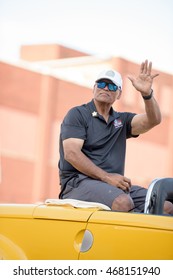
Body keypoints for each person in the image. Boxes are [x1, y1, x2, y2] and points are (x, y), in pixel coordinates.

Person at [58, 60, 173, 214]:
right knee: (123, 202)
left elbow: (154, 120)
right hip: (77, 183)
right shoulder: (78, 114)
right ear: (93, 88)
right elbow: (71, 153)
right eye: (101, 84)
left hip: (112, 186)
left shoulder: (121, 120)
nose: (105, 88)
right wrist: (106, 177)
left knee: (165, 205)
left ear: (118, 94)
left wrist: (147, 94)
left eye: (112, 86)